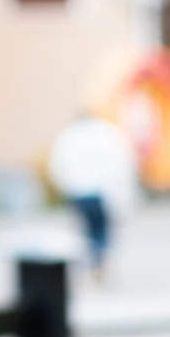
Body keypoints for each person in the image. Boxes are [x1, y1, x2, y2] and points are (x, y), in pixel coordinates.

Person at [47, 111, 137, 282]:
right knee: (100, 230)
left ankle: (88, 264)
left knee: (83, 231)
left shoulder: (68, 136)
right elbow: (121, 162)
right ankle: (98, 263)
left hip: (77, 191)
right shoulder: (108, 133)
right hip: (101, 191)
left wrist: (66, 186)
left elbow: (57, 164)